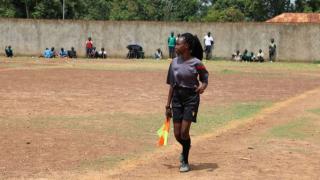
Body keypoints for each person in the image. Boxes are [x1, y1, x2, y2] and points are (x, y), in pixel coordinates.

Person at [165, 33, 209, 173]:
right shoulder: (173, 62)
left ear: (187, 46)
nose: (175, 46)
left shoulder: (196, 63)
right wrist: (168, 105)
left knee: (184, 132)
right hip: (177, 98)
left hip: (191, 98)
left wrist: (203, 86)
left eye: (178, 44)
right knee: (177, 134)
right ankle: (186, 146)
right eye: (176, 44)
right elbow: (172, 84)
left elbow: (205, 78)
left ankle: (185, 159)